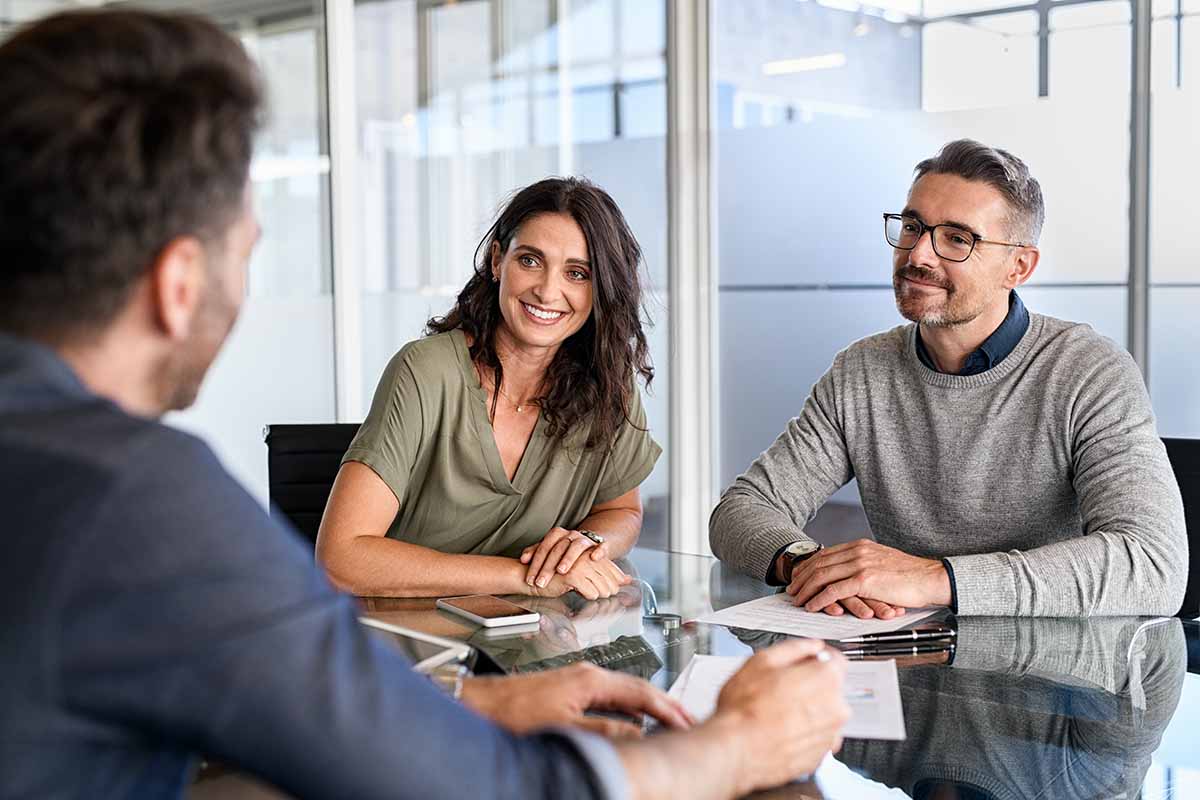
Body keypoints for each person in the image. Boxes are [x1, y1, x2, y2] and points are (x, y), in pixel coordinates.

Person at [0, 9, 851, 800]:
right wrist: (737, 742)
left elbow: (235, 718)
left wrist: (473, 708)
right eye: (249, 246)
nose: (549, 289)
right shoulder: (138, 502)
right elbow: (494, 788)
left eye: (579, 273)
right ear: (179, 284)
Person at [710, 139, 1188, 619]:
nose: (918, 254)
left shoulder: (1088, 372)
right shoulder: (861, 371)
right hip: (903, 658)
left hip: (1057, 672)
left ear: (1018, 267)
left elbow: (1151, 565)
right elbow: (741, 510)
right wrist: (808, 565)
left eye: (958, 238)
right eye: (913, 226)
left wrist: (934, 578)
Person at [317, 177, 660, 600]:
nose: (548, 291)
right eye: (531, 261)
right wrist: (525, 578)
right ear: (498, 261)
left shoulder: (608, 383)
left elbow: (621, 510)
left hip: (533, 647)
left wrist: (588, 543)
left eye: (577, 273)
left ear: (600, 288)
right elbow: (340, 559)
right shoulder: (426, 371)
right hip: (405, 644)